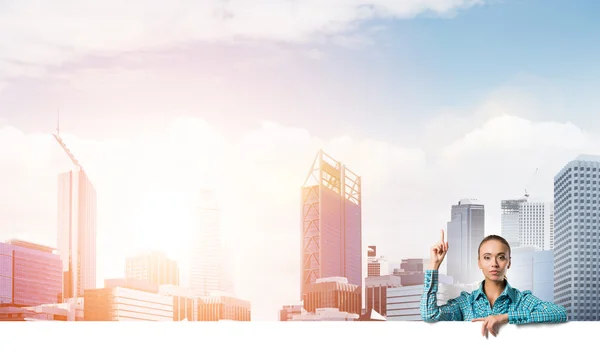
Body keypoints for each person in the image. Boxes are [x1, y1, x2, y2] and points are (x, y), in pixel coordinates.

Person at [420, 230, 567, 337]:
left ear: (508, 263)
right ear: (479, 262)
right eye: (487, 257)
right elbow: (429, 314)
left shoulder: (522, 301)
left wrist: (506, 317)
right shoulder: (465, 304)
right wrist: (434, 265)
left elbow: (560, 313)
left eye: (501, 257)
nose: (494, 264)